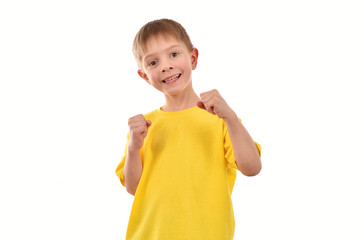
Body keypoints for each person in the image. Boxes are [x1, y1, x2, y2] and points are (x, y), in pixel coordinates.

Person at [115, 18, 262, 240]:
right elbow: (134, 188)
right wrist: (134, 148)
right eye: (153, 62)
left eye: (173, 54)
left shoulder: (219, 118)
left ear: (193, 58)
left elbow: (252, 168)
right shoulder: (143, 127)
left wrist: (231, 117)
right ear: (145, 76)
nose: (165, 66)